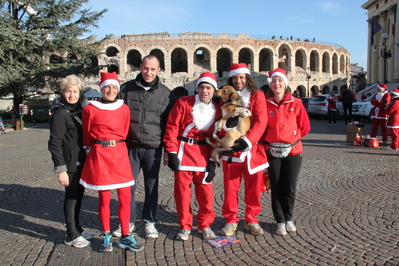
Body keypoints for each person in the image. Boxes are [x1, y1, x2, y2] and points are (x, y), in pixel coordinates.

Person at [80, 72, 143, 252]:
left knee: (125, 197)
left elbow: (124, 132)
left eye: (114, 87)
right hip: (100, 155)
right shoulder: (90, 109)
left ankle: (125, 235)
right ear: (101, 88)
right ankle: (106, 234)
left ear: (118, 89)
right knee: (104, 199)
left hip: (119, 155)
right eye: (107, 87)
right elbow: (86, 134)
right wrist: (92, 149)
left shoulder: (124, 109)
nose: (111, 90)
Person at [116, 55, 176, 239]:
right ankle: (128, 220)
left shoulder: (166, 94)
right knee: (128, 187)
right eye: (145, 68)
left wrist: (168, 150)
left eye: (152, 69)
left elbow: (170, 125)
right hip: (130, 147)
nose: (148, 72)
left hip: (153, 148)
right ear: (140, 67)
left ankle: (149, 221)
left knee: (151, 186)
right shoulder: (125, 89)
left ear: (159, 70)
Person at [163, 72, 221, 241]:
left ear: (213, 90)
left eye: (208, 88)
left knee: (206, 194)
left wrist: (212, 161)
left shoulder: (217, 110)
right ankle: (184, 225)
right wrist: (172, 153)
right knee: (182, 194)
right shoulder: (183, 102)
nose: (205, 91)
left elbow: (217, 138)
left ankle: (205, 224)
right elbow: (171, 128)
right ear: (197, 88)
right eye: (202, 87)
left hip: (204, 155)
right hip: (183, 153)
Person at [218, 63, 268, 236]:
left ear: (247, 78)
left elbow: (262, 121)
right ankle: (231, 220)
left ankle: (252, 219)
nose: (238, 81)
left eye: (241, 77)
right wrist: (226, 129)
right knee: (230, 189)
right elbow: (219, 120)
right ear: (231, 79)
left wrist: (248, 140)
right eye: (235, 78)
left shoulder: (257, 96)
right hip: (232, 151)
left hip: (252, 151)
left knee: (253, 190)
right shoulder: (225, 98)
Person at [261, 68, 311, 236]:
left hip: (293, 151)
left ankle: (289, 218)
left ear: (285, 83)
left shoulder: (296, 103)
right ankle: (280, 221)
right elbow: (261, 126)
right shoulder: (265, 103)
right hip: (272, 150)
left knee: (289, 187)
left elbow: (305, 127)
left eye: (280, 81)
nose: (277, 84)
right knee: (276, 187)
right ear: (270, 84)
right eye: (274, 81)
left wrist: (291, 137)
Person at [48, 74, 93, 248]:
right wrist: (60, 169)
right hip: (69, 164)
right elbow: (55, 142)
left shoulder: (79, 110)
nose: (71, 95)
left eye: (74, 91)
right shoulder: (60, 113)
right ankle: (71, 234)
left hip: (80, 161)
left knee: (78, 196)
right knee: (72, 197)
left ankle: (77, 229)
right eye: (68, 91)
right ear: (63, 92)